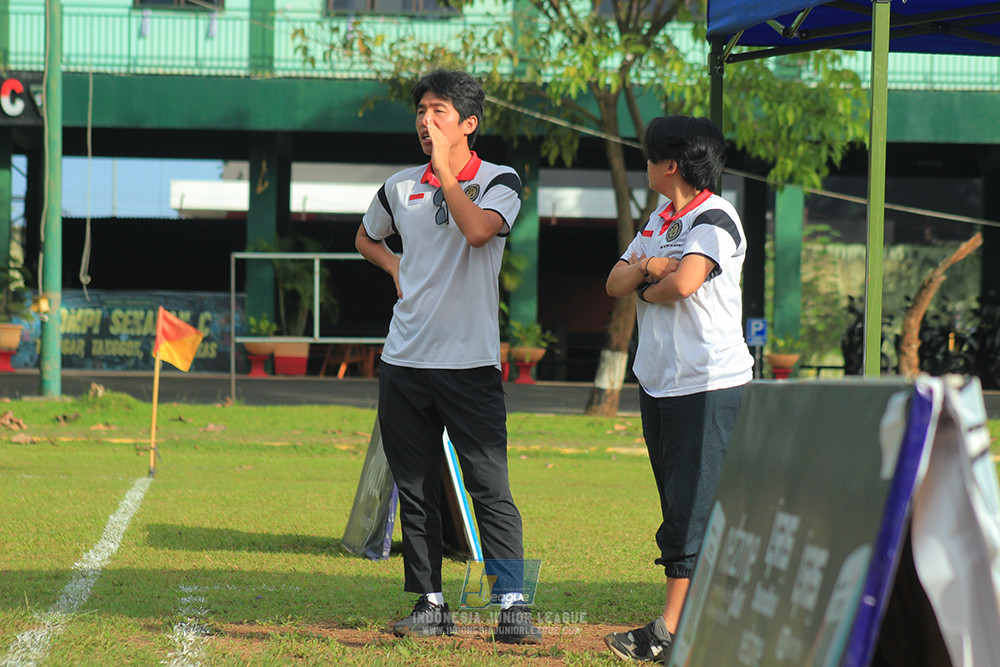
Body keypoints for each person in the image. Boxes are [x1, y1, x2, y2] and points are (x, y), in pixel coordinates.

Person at [355, 69, 542, 645]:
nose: (425, 121)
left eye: (438, 111)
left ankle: (512, 606)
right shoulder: (398, 186)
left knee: (489, 484)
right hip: (404, 361)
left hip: (470, 365)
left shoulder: (498, 180)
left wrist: (444, 176)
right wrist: (395, 269)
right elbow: (366, 236)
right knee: (414, 487)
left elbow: (479, 233)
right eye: (420, 111)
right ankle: (430, 603)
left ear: (469, 123)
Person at [603, 115, 753, 663]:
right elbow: (616, 281)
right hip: (661, 381)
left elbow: (684, 284)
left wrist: (654, 273)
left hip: (709, 382)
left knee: (691, 506)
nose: (644, 164)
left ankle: (668, 629)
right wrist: (655, 268)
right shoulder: (661, 217)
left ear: (671, 165)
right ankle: (699, 620)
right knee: (678, 502)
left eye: (648, 156)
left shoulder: (715, 215)